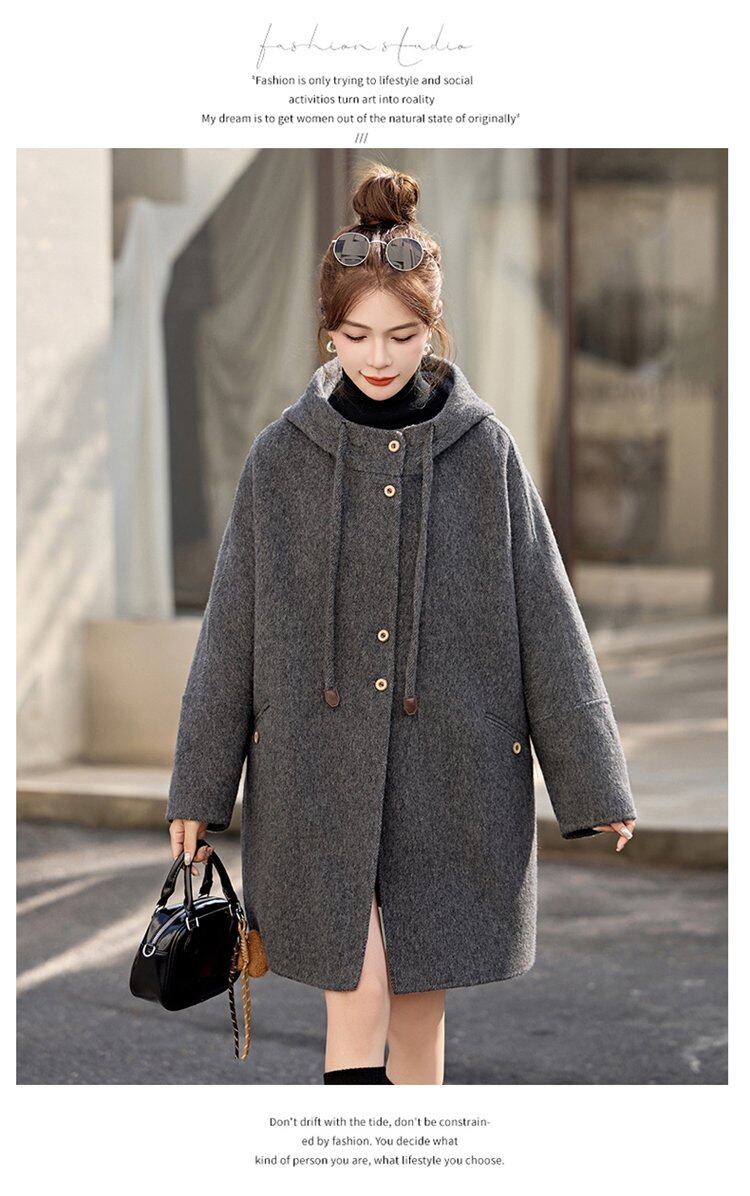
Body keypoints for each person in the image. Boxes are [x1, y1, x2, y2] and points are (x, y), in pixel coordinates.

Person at [167, 162, 637, 1086]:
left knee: (418, 1022)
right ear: (327, 332)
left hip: (452, 781)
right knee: (359, 997)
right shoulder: (280, 460)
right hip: (315, 782)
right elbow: (230, 633)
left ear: (435, 329)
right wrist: (198, 785)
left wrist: (595, 780)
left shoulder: (485, 453)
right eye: (356, 336)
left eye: (402, 335)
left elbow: (548, 619)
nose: (378, 358)